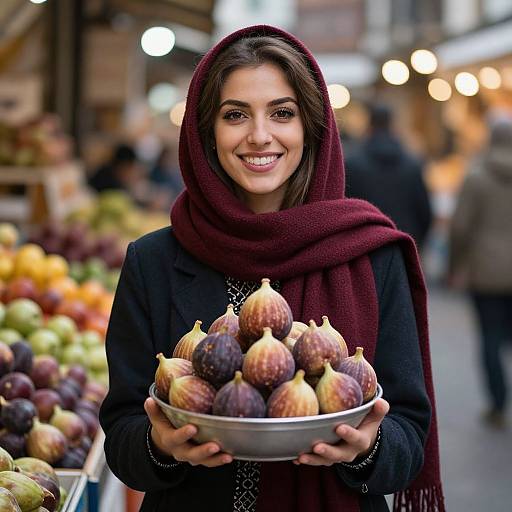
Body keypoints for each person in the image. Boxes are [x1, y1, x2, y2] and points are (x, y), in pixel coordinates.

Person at [99, 26, 445, 512]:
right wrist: (161, 447)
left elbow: (409, 436)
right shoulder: (154, 261)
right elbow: (121, 434)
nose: (259, 136)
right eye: (235, 115)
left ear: (311, 127)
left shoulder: (373, 256)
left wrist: (367, 449)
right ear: (205, 133)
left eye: (282, 113)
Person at [448, 118, 512, 429]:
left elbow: (460, 228)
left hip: (485, 271)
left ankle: (498, 403)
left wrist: (455, 266)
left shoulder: (476, 176)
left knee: (490, 337)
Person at [345, 104, 432, 249]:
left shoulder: (352, 164)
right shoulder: (412, 164)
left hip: (364, 249)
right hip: (404, 246)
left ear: (369, 125)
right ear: (393, 126)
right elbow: (425, 213)